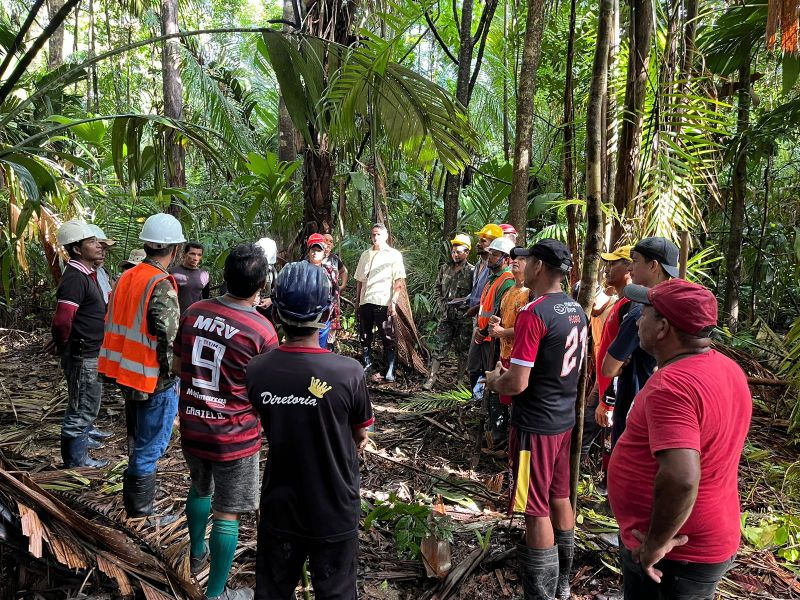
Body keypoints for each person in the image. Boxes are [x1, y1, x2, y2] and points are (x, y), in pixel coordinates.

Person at [608, 279, 751, 599]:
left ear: (662, 328)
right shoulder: (728, 369)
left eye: (643, 312)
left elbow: (681, 477)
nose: (637, 319)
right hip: (705, 539)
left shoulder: (673, 386)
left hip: (674, 556)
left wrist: (655, 544)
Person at [246, 261, 373, 600]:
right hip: (334, 505)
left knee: (273, 591)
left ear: (277, 308)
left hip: (280, 504)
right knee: (336, 593)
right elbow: (361, 434)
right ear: (327, 310)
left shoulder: (258, 370)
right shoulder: (348, 372)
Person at [175, 243, 279, 600]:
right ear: (261, 284)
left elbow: (177, 366)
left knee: (200, 488)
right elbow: (266, 392)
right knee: (228, 513)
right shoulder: (261, 330)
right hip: (234, 435)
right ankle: (216, 594)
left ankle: (196, 553)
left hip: (192, 424)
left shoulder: (193, 311)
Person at [485, 239, 586, 600]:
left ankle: (540, 594)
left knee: (533, 506)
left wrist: (496, 380)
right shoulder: (576, 309)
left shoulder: (534, 313)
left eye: (525, 260)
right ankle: (562, 585)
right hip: (562, 421)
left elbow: (518, 381)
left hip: (534, 427)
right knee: (559, 497)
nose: (520, 265)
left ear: (540, 266)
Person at [98, 213, 185, 518]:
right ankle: (142, 513)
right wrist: (176, 374)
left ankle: (137, 506)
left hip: (125, 372)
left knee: (138, 441)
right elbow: (170, 337)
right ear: (174, 249)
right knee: (150, 448)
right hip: (152, 379)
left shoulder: (127, 276)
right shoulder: (160, 284)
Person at [599, 237, 678, 445]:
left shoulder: (639, 314)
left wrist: (619, 365)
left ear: (653, 266)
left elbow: (608, 368)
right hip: (662, 411)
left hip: (633, 409)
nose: (630, 267)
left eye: (635, 261)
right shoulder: (677, 307)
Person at [51, 220, 110, 468]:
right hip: (82, 353)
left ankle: (80, 453)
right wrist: (66, 346)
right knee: (81, 407)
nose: (98, 245)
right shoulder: (75, 277)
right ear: (77, 249)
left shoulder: (88, 274)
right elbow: (63, 320)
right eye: (92, 242)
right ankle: (76, 462)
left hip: (89, 351)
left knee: (85, 402)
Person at [580, 245, 633, 461]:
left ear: (630, 267)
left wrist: (608, 401)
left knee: (601, 438)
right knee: (587, 433)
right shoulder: (618, 302)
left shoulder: (631, 306)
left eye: (614, 263)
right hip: (602, 384)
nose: (607, 269)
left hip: (612, 389)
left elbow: (624, 359)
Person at [470, 236, 516, 445]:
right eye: (490, 253)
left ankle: (497, 433)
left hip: (493, 339)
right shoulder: (492, 278)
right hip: (484, 335)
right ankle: (487, 419)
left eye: (495, 254)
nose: (490, 257)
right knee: (478, 374)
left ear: (505, 259)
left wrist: (482, 331)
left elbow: (497, 312)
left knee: (493, 381)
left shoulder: (506, 280)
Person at [354, 223, 406, 382]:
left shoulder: (394, 255)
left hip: (383, 301)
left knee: (387, 336)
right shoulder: (365, 255)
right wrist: (357, 302)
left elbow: (399, 280)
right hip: (366, 301)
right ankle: (367, 365)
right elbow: (360, 281)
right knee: (365, 335)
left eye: (378, 234)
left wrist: (394, 302)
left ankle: (390, 368)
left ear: (385, 236)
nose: (375, 237)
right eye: (373, 234)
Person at [423, 233, 475, 390]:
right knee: (439, 348)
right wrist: (441, 304)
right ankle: (431, 378)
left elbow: (475, 294)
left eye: (459, 252)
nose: (455, 254)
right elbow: (436, 288)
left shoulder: (472, 271)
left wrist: (465, 307)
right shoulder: (445, 268)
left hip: (464, 318)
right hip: (446, 316)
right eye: (453, 251)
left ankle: (459, 381)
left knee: (462, 351)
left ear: (467, 252)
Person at [487, 250, 530, 406]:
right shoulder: (509, 291)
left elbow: (530, 329)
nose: (515, 261)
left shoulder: (530, 294)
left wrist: (503, 332)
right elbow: (505, 319)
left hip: (520, 357)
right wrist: (496, 321)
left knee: (518, 400)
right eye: (514, 259)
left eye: (522, 259)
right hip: (504, 353)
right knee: (505, 399)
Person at [306, 233, 339, 349]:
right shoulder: (301, 270)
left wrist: (334, 318)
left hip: (324, 317)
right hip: (305, 317)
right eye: (313, 250)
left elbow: (335, 295)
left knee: (321, 349)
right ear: (308, 251)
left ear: (324, 251)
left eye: (318, 250)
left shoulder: (330, 271)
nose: (315, 253)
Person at [170, 241, 210, 315]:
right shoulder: (172, 273)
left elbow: (205, 298)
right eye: (192, 254)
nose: (195, 258)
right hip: (176, 315)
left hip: (195, 317)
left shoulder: (204, 275)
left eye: (199, 255)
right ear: (184, 254)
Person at [322, 233, 347, 348]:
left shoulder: (335, 259)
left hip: (333, 300)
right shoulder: (315, 257)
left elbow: (343, 271)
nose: (328, 243)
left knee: (332, 327)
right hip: (319, 300)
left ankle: (329, 350)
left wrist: (343, 284)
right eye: (325, 240)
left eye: (330, 241)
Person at [87, 224, 115, 303]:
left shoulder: (101, 271)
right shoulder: (78, 274)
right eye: (98, 248)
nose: (102, 253)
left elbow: (108, 297)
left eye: (104, 248)